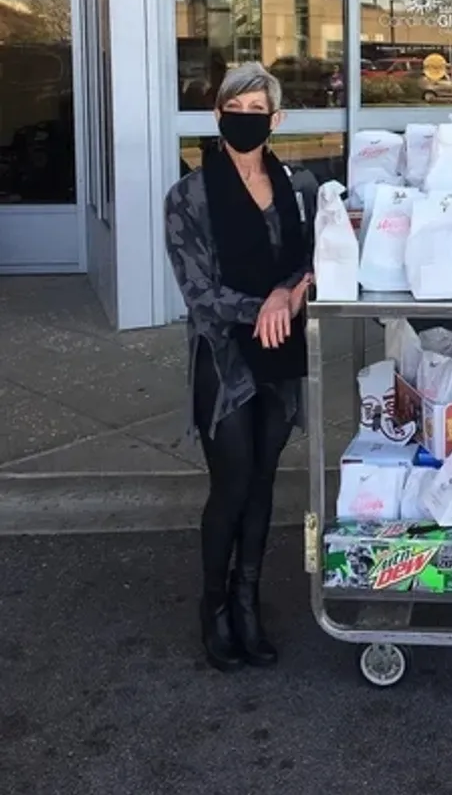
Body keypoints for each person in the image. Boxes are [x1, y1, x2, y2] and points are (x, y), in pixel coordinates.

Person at [165, 62, 318, 672]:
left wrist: (288, 292)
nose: (245, 119)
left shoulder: (297, 186)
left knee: (262, 482)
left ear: (276, 120)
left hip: (280, 350)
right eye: (236, 108)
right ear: (217, 114)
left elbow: (310, 262)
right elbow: (199, 294)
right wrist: (267, 307)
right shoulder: (189, 196)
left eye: (258, 110)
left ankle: (248, 603)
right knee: (231, 484)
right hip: (224, 355)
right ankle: (215, 608)